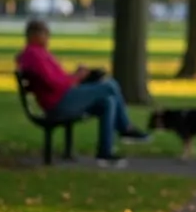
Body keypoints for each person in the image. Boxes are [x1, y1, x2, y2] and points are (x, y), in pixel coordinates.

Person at [16, 19, 147, 167]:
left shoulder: (38, 54)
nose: (48, 38)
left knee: (107, 102)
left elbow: (59, 79)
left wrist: (77, 75)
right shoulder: (34, 55)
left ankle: (105, 153)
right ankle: (125, 128)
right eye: (45, 34)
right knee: (110, 85)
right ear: (34, 35)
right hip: (59, 102)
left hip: (63, 96)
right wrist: (78, 77)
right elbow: (53, 83)